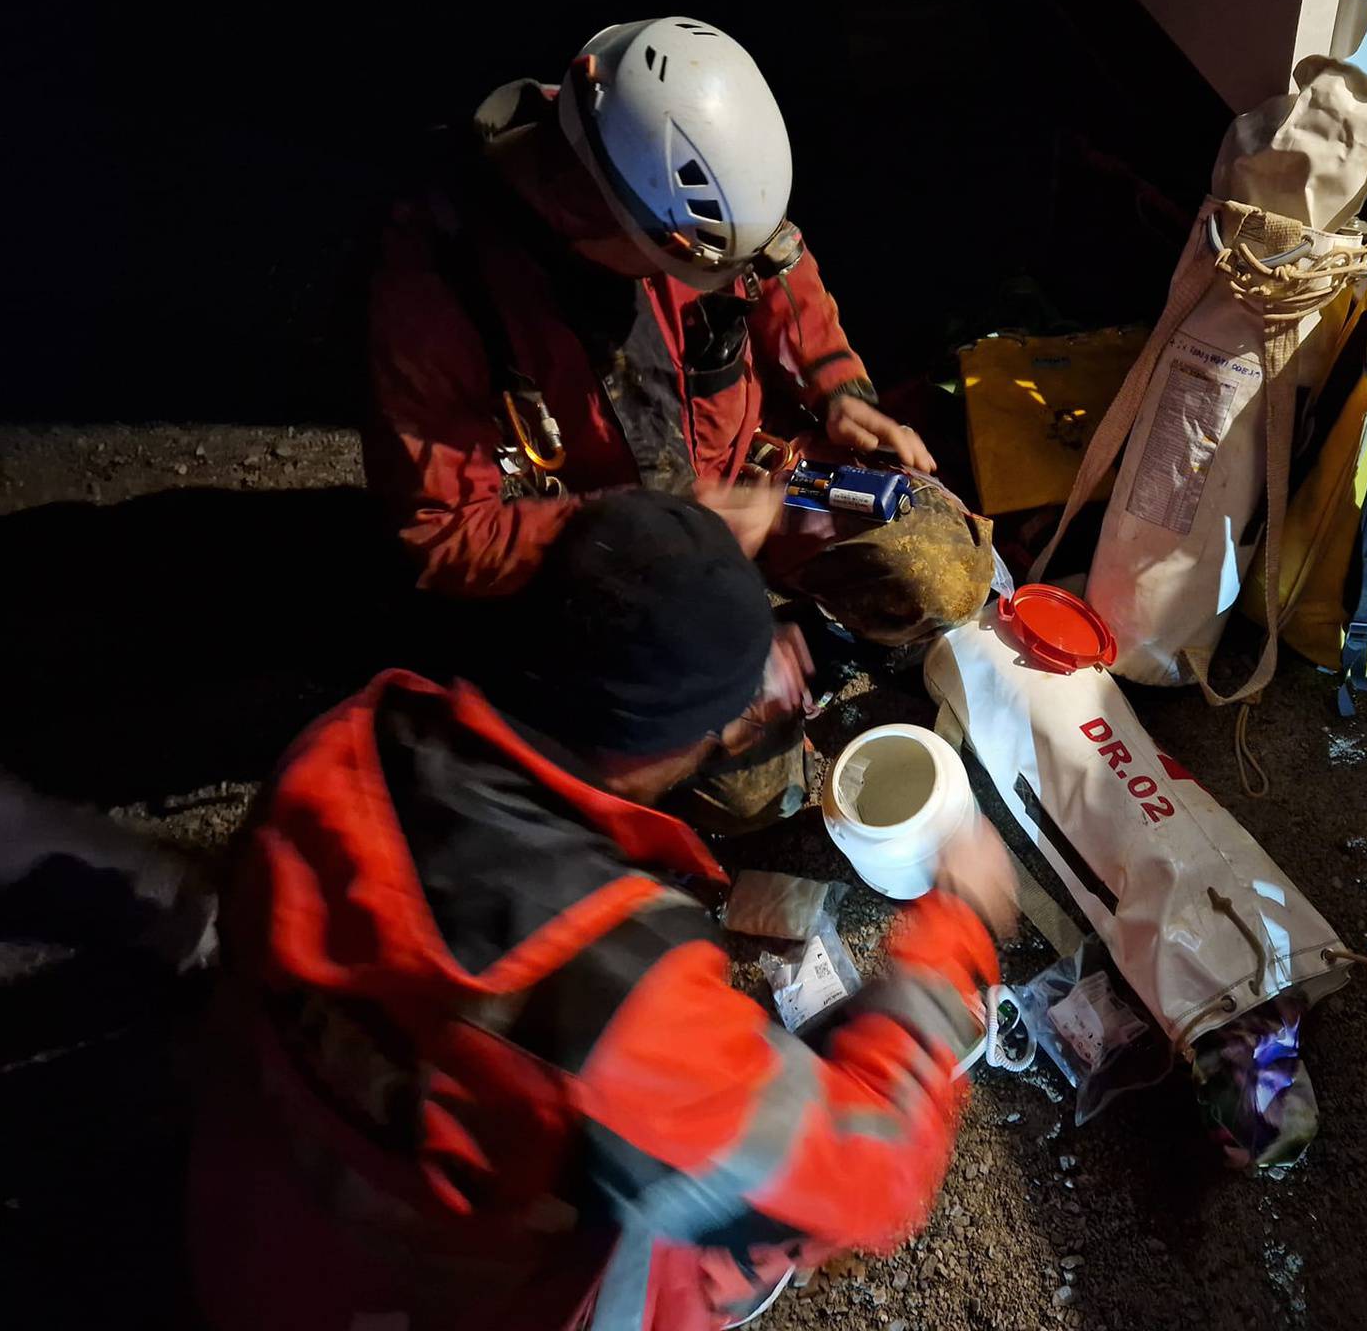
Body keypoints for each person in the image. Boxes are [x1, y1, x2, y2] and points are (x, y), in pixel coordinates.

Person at [189, 489, 1018, 1331]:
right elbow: (865, 1172)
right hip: (416, 1300)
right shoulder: (609, 991)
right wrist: (956, 931)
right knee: (744, 1223)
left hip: (253, 1197)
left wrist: (705, 682)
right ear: (678, 739)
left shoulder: (358, 733)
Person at [362, 14, 995, 636]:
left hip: (745, 473)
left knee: (940, 560)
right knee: (725, 700)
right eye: (700, 266)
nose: (725, 277)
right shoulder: (438, 295)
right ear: (592, 215)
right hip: (607, 550)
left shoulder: (675, 168)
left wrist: (835, 388)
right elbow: (448, 534)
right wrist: (651, 533)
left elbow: (778, 267)